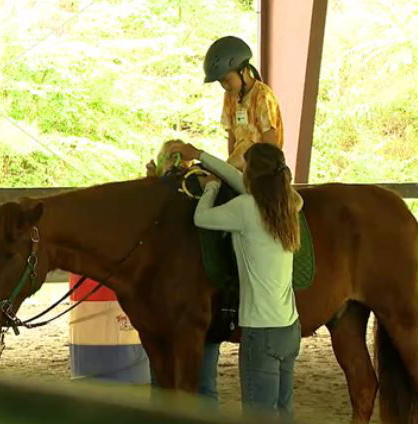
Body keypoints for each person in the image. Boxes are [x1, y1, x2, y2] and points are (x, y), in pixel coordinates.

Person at [169, 141, 302, 422]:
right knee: (284, 412)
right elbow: (246, 185)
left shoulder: (244, 208)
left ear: (252, 173)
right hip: (289, 329)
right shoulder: (291, 204)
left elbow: (201, 217)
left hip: (261, 331)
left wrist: (211, 187)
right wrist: (202, 157)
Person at [146, 139, 222, 404]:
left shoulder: (196, 188)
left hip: (198, 307)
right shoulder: (197, 190)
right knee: (194, 385)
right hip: (189, 306)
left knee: (198, 385)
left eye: (176, 160)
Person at [203, 36, 285, 170]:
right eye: (221, 82)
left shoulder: (262, 95)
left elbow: (270, 140)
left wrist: (271, 172)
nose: (225, 86)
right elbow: (232, 136)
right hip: (240, 167)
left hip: (261, 167)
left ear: (243, 71)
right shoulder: (229, 97)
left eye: (227, 80)